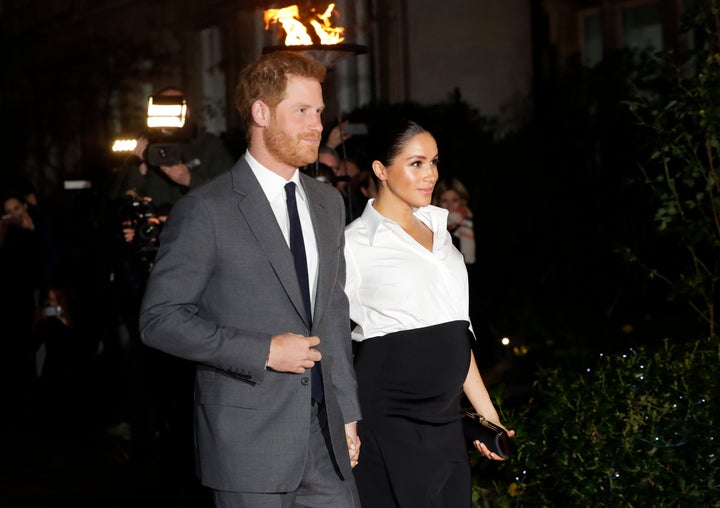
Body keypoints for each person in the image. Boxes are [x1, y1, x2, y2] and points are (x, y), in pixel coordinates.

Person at [139, 50, 361, 507]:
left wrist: (349, 414)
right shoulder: (205, 210)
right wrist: (263, 351)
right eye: (301, 111)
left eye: (318, 111)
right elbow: (160, 319)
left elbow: (334, 312)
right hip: (248, 444)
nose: (316, 124)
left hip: (327, 441)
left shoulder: (328, 204)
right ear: (261, 112)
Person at [344, 118, 513, 507]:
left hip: (446, 418)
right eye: (416, 163)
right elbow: (328, 335)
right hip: (388, 417)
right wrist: (345, 423)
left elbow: (457, 335)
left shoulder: (444, 239)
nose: (431, 175)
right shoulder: (353, 245)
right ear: (381, 170)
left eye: (434, 162)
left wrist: (489, 417)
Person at [110, 86, 235, 216]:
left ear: (186, 112)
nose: (168, 112)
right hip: (153, 229)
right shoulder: (144, 147)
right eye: (163, 106)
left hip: (196, 226)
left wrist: (189, 180)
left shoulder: (207, 144)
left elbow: (229, 191)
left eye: (174, 105)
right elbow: (119, 202)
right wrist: (138, 168)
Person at [433, 177, 476, 265]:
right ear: (437, 202)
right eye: (444, 201)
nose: (450, 206)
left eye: (454, 200)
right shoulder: (431, 224)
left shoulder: (470, 222)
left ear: (462, 201)